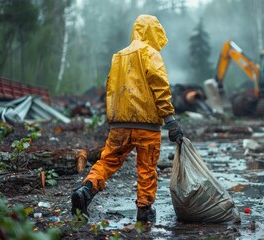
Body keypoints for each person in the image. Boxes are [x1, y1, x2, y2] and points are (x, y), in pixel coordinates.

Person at [71, 14, 183, 223]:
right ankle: (144, 210)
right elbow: (159, 87)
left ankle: (86, 189)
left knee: (107, 161)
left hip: (120, 125)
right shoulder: (151, 54)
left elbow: (111, 88)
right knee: (147, 168)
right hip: (147, 126)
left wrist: (113, 118)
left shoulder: (119, 56)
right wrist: (170, 121)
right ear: (153, 32)